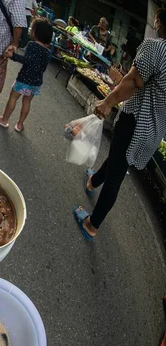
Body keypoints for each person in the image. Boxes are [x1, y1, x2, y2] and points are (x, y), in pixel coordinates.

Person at [73, 8, 166, 241]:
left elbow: (133, 81)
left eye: (157, 19)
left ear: (162, 23)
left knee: (116, 175)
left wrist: (107, 102)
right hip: (153, 133)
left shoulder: (157, 48)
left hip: (135, 123)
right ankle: (93, 180)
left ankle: (92, 224)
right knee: (119, 160)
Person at [0, 19, 52, 132]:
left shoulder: (32, 45)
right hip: (36, 82)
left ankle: (4, 120)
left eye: (32, 28)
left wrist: (12, 55)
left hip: (24, 79)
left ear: (36, 32)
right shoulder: (48, 52)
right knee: (27, 102)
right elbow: (43, 68)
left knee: (13, 98)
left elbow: (26, 60)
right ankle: (20, 124)